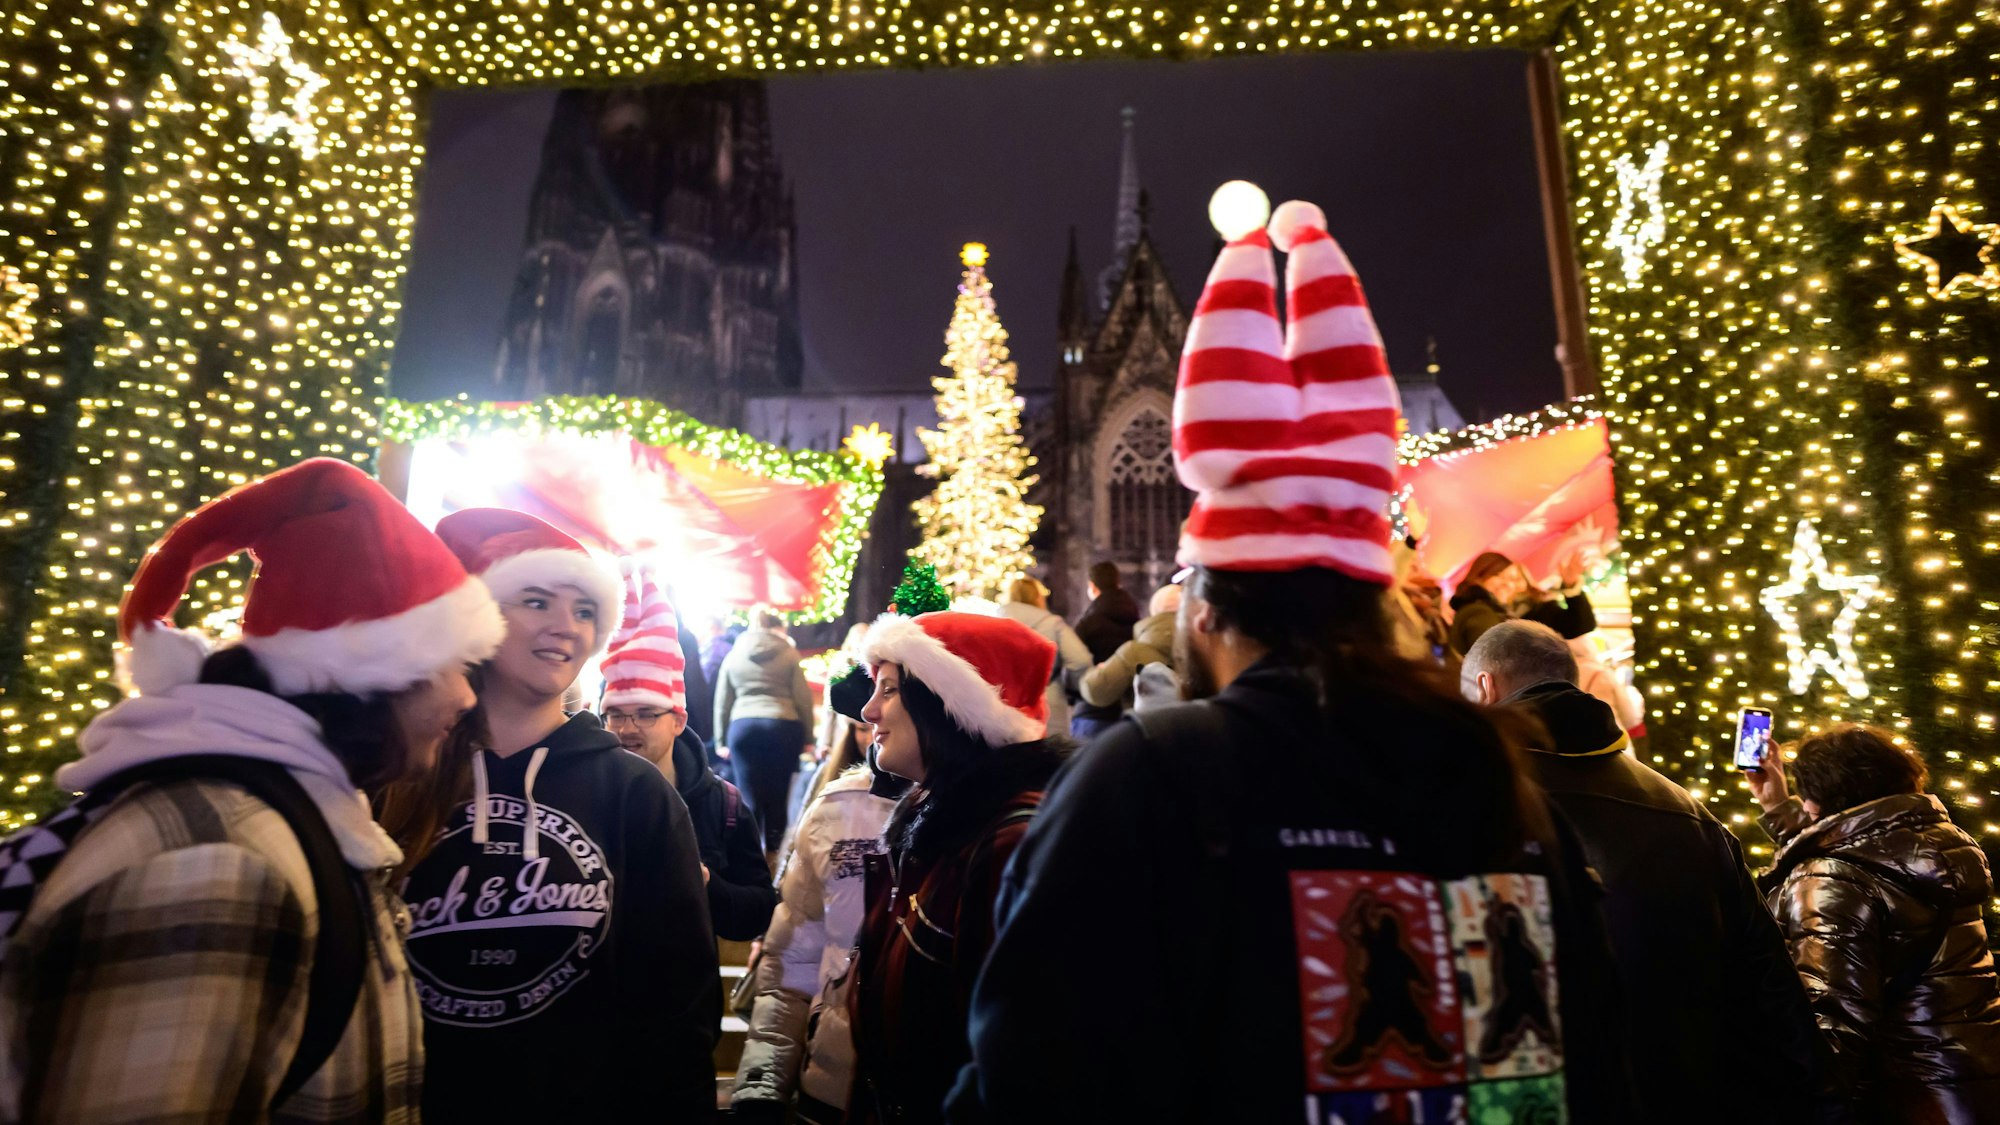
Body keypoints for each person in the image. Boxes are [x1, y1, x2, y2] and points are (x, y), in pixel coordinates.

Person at [946, 197, 1631, 1123]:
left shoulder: (1145, 776)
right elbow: (1583, 1064)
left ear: (1209, 608)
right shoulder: (1499, 785)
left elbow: (1021, 1076)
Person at [0, 458, 500, 1123]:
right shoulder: (217, 861)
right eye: (457, 664)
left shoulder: (275, 823)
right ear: (379, 670)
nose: (468, 696)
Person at [397, 508, 718, 1122]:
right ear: (478, 616)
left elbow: (678, 1000)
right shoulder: (407, 778)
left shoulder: (636, 793)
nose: (567, 627)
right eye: (538, 602)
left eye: (585, 610)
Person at [1462, 621, 1826, 1123]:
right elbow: (1767, 985)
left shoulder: (1455, 805)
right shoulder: (1687, 812)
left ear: (1485, 688)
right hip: (1687, 1098)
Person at [848, 611, 1066, 1125]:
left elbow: (1019, 1056)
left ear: (950, 708)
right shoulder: (933, 822)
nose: (868, 709)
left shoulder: (1011, 842)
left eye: (889, 690)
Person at [1749, 724, 2000, 1122]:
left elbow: (1832, 1022)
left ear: (1818, 797)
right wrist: (1781, 810)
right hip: (1973, 1079)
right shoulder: (1932, 842)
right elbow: (1859, 852)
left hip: (1903, 1098)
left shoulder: (1831, 877)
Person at [732, 664, 904, 1125]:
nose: (872, 721)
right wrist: (763, 1083)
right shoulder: (838, 806)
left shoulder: (992, 820)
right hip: (831, 1085)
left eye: (891, 696)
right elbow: (795, 957)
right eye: (863, 718)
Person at [601, 561, 775, 943]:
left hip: (684, 996)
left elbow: (758, 911)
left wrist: (706, 884)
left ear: (678, 721)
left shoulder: (721, 804)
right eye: (614, 715)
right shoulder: (583, 796)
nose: (627, 729)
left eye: (645, 714)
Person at [716, 607, 817, 854]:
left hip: (744, 727)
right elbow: (803, 698)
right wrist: (808, 737)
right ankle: (774, 859)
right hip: (783, 726)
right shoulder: (789, 653)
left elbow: (722, 701)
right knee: (778, 799)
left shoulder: (734, 654)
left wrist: (721, 740)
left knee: (748, 798)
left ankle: (749, 858)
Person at [1447, 549, 1597, 657]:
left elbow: (1581, 625)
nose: (1509, 584)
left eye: (1515, 578)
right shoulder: (1481, 612)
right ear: (1480, 577)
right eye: (1499, 575)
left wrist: (1571, 585)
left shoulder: (1540, 610)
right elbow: (1492, 663)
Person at [998, 576, 1091, 738]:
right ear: (1037, 597)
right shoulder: (1052, 624)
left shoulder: (993, 620)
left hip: (1003, 703)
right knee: (1052, 756)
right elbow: (1080, 660)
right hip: (1048, 700)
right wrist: (1072, 686)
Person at [1078, 582, 1181, 716]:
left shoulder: (1133, 653)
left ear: (1154, 612)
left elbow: (1094, 690)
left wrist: (1098, 670)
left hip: (1150, 731)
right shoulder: (1207, 651)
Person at [1069, 561, 1141, 739]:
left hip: (1092, 711)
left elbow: (1072, 664)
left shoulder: (1087, 624)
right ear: (1118, 584)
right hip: (1129, 712)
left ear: (1092, 587)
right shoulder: (1137, 621)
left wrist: (1073, 694)